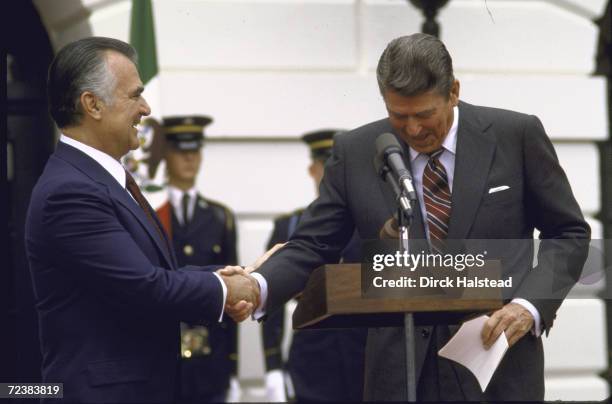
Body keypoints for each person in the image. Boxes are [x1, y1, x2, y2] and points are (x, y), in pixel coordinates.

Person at [249, 33, 591, 401]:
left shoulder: (515, 136)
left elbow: (569, 233)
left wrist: (529, 305)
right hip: (398, 374)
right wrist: (256, 286)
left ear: (454, 92)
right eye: (398, 116)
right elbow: (314, 243)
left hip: (497, 364)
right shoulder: (355, 151)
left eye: (425, 114)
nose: (413, 130)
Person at [24, 37, 258, 403]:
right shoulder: (70, 191)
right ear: (93, 104)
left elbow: (154, 274)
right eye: (135, 95)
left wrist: (229, 274)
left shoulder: (101, 180)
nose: (147, 109)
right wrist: (228, 289)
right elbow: (145, 287)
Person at [261, 130, 366, 402]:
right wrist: (273, 366)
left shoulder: (368, 225)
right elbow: (270, 301)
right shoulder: (291, 226)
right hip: (312, 360)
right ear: (312, 169)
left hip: (363, 357)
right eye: (325, 167)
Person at [154, 115, 240, 403]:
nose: (190, 158)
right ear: (166, 155)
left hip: (210, 362)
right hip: (163, 359)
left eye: (195, 151)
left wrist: (233, 365)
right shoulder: (151, 214)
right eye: (181, 151)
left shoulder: (219, 217)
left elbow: (233, 292)